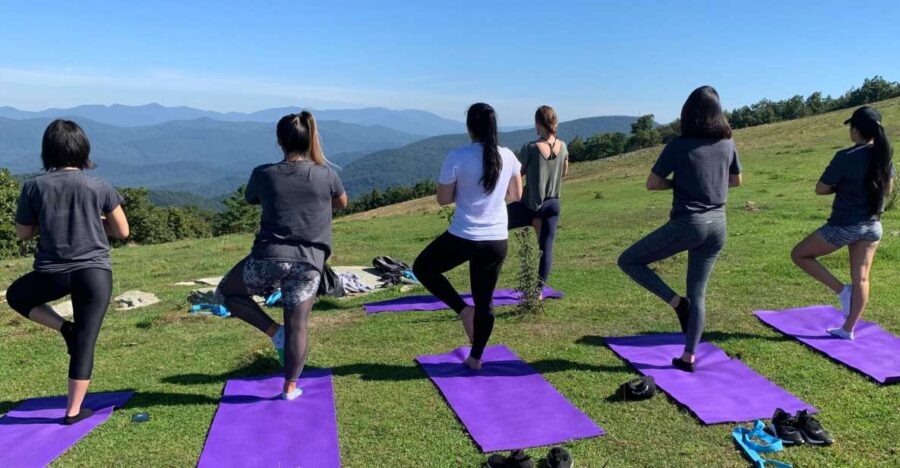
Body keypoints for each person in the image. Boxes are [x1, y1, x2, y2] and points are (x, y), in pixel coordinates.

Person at [215, 112, 348, 400]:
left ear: (279, 141)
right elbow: (341, 202)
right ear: (311, 138)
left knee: (228, 293)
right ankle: (290, 387)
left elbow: (250, 198)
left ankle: (275, 331)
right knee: (299, 325)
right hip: (309, 263)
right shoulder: (326, 174)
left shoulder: (263, 173)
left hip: (268, 258)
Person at [7, 120, 130, 424]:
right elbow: (122, 231)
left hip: (52, 272)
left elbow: (23, 233)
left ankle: (65, 328)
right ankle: (73, 412)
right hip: (95, 272)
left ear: (47, 151)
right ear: (82, 148)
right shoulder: (99, 185)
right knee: (86, 341)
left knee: (17, 295)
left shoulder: (34, 186)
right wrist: (94, 219)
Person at [617, 86, 742, 372]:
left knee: (628, 260)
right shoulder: (728, 143)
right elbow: (736, 181)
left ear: (689, 113)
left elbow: (652, 183)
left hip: (689, 222)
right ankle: (689, 357)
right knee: (698, 293)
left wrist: (680, 184)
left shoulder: (678, 145)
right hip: (718, 224)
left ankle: (676, 302)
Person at [412, 103, 523, 370]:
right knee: (485, 300)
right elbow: (516, 195)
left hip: (464, 236)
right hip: (497, 238)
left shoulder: (458, 156)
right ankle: (476, 358)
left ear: (469, 128)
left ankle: (463, 310)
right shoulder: (508, 156)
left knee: (423, 268)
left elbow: (442, 199)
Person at [791, 106, 894, 340]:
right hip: (873, 225)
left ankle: (841, 290)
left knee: (799, 255)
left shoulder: (846, 157)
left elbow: (821, 189)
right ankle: (848, 329)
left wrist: (842, 187)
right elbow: (887, 189)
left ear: (855, 130)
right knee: (862, 278)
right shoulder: (883, 155)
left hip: (846, 225)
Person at [507, 105, 568, 294]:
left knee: (495, 223)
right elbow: (565, 171)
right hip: (553, 204)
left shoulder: (531, 148)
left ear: (538, 124)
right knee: (546, 249)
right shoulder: (563, 146)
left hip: (531, 204)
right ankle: (538, 292)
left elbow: (518, 174)